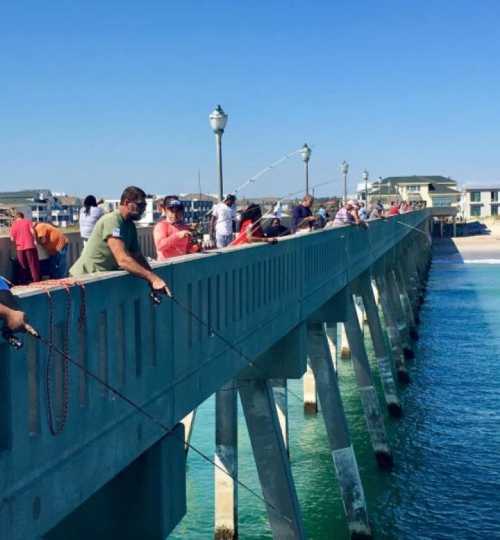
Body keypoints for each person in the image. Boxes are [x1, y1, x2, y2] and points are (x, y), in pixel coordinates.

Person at [69, 186, 170, 295]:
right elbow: (123, 260)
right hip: (83, 278)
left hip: (98, 280)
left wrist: (153, 280)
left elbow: (137, 256)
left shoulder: (130, 225)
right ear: (127, 202)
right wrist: (152, 278)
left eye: (144, 205)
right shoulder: (112, 220)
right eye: (140, 205)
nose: (143, 209)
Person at [153, 196, 201, 260]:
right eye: (171, 211)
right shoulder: (161, 225)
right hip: (166, 265)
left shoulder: (184, 226)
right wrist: (177, 236)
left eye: (178, 211)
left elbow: (187, 249)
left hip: (181, 263)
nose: (175, 214)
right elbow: (160, 246)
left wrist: (197, 247)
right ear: (165, 210)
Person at [10, 212, 40, 284]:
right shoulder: (28, 222)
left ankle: (24, 282)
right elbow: (32, 231)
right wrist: (35, 240)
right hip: (30, 245)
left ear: (16, 218)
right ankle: (36, 281)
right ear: (22, 217)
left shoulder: (13, 225)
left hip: (19, 248)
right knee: (32, 264)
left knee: (22, 265)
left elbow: (12, 239)